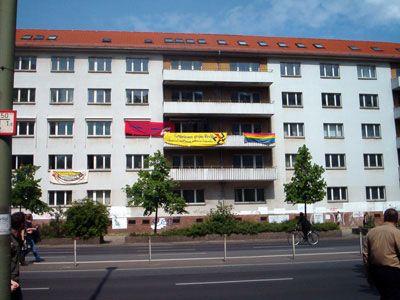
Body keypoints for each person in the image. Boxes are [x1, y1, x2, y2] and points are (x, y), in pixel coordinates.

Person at [363, 208, 400, 299]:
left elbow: (365, 255)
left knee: (384, 295)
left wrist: (369, 274)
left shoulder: (371, 232)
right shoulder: (397, 233)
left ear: (384, 218)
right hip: (393, 272)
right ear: (397, 219)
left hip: (376, 271)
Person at [10, 212, 25, 300]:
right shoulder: (10, 241)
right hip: (10, 281)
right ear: (22, 225)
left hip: (13, 280)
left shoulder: (14, 238)